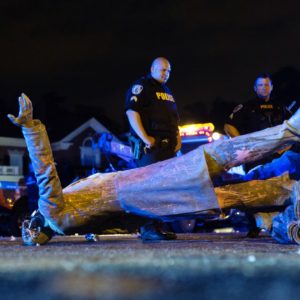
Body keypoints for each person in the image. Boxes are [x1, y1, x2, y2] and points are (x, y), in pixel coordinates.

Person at [7, 94, 300, 246]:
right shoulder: (53, 213)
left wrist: (148, 228)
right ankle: (289, 133)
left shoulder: (64, 221)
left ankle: (287, 189)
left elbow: (115, 220)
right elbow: (45, 171)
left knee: (223, 197)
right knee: (213, 157)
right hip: (135, 187)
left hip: (141, 200)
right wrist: (31, 128)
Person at [125, 57, 181, 240]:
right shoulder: (142, 86)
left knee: (164, 188)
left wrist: (177, 138)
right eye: (162, 70)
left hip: (167, 147)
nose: (166, 74)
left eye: (169, 71)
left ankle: (157, 226)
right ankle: (148, 228)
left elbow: (173, 118)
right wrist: (145, 138)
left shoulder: (166, 90)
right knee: (149, 187)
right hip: (151, 147)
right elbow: (132, 112)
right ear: (152, 69)